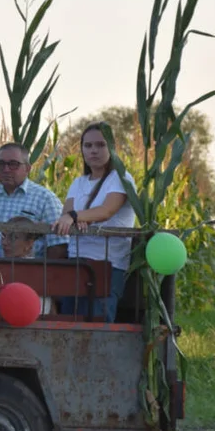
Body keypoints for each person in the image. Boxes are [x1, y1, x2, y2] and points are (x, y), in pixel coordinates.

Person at [52, 122, 136, 323]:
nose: (94, 151)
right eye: (88, 146)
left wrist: (77, 216)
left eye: (100, 145)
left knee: (98, 322)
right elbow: (67, 214)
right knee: (70, 320)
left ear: (112, 148)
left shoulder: (121, 178)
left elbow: (106, 210)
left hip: (108, 263)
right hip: (76, 261)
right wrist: (77, 217)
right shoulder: (78, 183)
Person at [0, 143, 67, 260]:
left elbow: (58, 244)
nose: (6, 169)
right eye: (0, 164)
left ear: (27, 168)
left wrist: (43, 274)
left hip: (27, 273)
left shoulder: (45, 199)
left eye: (13, 164)